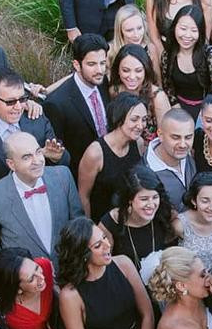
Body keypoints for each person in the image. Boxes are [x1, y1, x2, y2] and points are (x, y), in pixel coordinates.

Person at [0, 131, 84, 266]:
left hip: (70, 271)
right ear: (11, 164)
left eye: (38, 152)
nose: (37, 161)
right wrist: (12, 274)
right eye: (27, 157)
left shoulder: (63, 176)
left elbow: (79, 223)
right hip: (26, 283)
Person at [0, 68, 69, 203]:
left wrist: (57, 157)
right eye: (10, 101)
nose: (18, 107)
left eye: (22, 99)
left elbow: (64, 162)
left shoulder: (36, 119)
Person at [44, 34, 110, 179]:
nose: (99, 70)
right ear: (76, 65)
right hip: (81, 176)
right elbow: (58, 155)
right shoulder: (56, 104)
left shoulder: (104, 83)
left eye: (103, 63)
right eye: (91, 64)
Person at [100, 168, 183, 278]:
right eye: (144, 199)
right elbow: (103, 265)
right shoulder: (111, 222)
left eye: (155, 197)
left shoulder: (165, 212)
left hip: (164, 283)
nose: (151, 204)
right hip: (128, 284)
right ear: (130, 199)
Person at [76, 92, 145, 220]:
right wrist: (90, 231)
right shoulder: (95, 153)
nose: (140, 125)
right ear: (119, 118)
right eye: (134, 119)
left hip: (130, 219)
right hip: (103, 223)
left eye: (144, 119)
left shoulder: (139, 144)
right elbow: (83, 196)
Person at [157, 4, 212, 121]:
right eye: (183, 29)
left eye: (193, 30)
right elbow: (168, 87)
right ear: (175, 27)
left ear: (200, 32)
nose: (187, 35)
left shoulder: (210, 55)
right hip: (179, 108)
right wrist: (175, 107)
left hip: (207, 110)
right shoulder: (168, 55)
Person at [108, 44, 167, 142]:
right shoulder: (114, 91)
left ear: (146, 70)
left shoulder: (157, 96)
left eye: (138, 71)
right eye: (126, 70)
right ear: (118, 70)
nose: (132, 76)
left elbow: (166, 134)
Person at [142, 108, 195, 208]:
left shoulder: (191, 156)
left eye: (188, 137)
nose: (183, 145)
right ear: (160, 135)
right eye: (176, 137)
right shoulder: (144, 172)